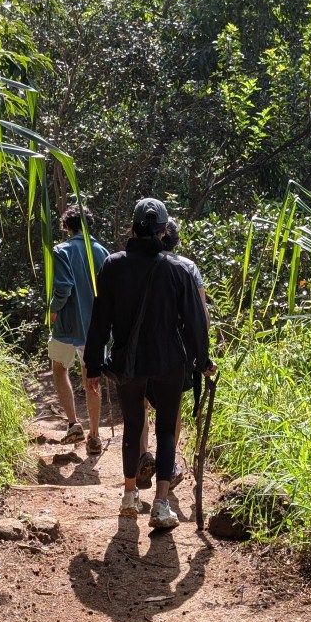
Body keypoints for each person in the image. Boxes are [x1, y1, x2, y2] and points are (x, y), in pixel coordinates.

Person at [84, 198, 216, 528]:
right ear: (163, 230)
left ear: (133, 226)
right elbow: (195, 321)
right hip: (169, 361)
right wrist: (202, 359)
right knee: (167, 429)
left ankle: (129, 496)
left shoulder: (113, 266)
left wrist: (93, 365)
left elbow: (100, 320)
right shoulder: (178, 269)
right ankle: (161, 505)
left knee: (133, 425)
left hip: (129, 362)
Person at [138, 216, 210, 490]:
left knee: (141, 402)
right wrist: (201, 351)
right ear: (176, 241)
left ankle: (143, 456)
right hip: (176, 349)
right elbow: (201, 313)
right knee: (173, 406)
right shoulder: (187, 267)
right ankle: (168, 465)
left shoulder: (137, 263)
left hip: (141, 345)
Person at [49, 204, 109, 455]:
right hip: (95, 327)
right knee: (92, 378)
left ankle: (74, 423)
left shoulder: (61, 250)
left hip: (67, 324)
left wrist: (53, 309)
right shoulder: (103, 252)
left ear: (66, 226)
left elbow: (63, 287)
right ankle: (94, 436)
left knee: (59, 368)